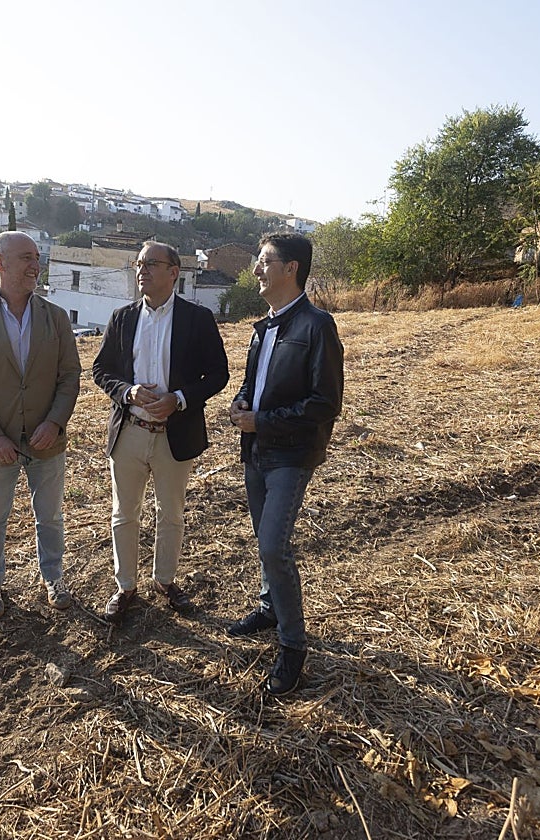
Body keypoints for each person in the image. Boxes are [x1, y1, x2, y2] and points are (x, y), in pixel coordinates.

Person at [227, 232, 343, 695]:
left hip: (290, 455)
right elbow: (251, 385)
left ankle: (293, 647)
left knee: (274, 545)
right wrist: (240, 406)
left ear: (290, 268)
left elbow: (325, 403)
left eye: (263, 261)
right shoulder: (264, 328)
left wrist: (263, 421)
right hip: (256, 450)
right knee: (264, 540)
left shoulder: (317, 326)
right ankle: (270, 606)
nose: (256, 269)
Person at [92, 241, 229, 620]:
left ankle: (165, 581)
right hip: (130, 432)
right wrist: (128, 391)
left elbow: (219, 374)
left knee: (170, 512)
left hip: (175, 431)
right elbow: (101, 370)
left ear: (174, 272)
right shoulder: (122, 317)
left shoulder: (197, 319)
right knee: (124, 513)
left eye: (152, 263)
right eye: (139, 264)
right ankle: (125, 587)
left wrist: (180, 399)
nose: (142, 270)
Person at [0, 231, 82, 621]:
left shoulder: (55, 318)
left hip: (47, 441)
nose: (34, 265)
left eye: (37, 257)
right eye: (26, 257)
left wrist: (55, 422)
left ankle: (53, 577)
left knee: (51, 516)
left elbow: (69, 376)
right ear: (0, 262)